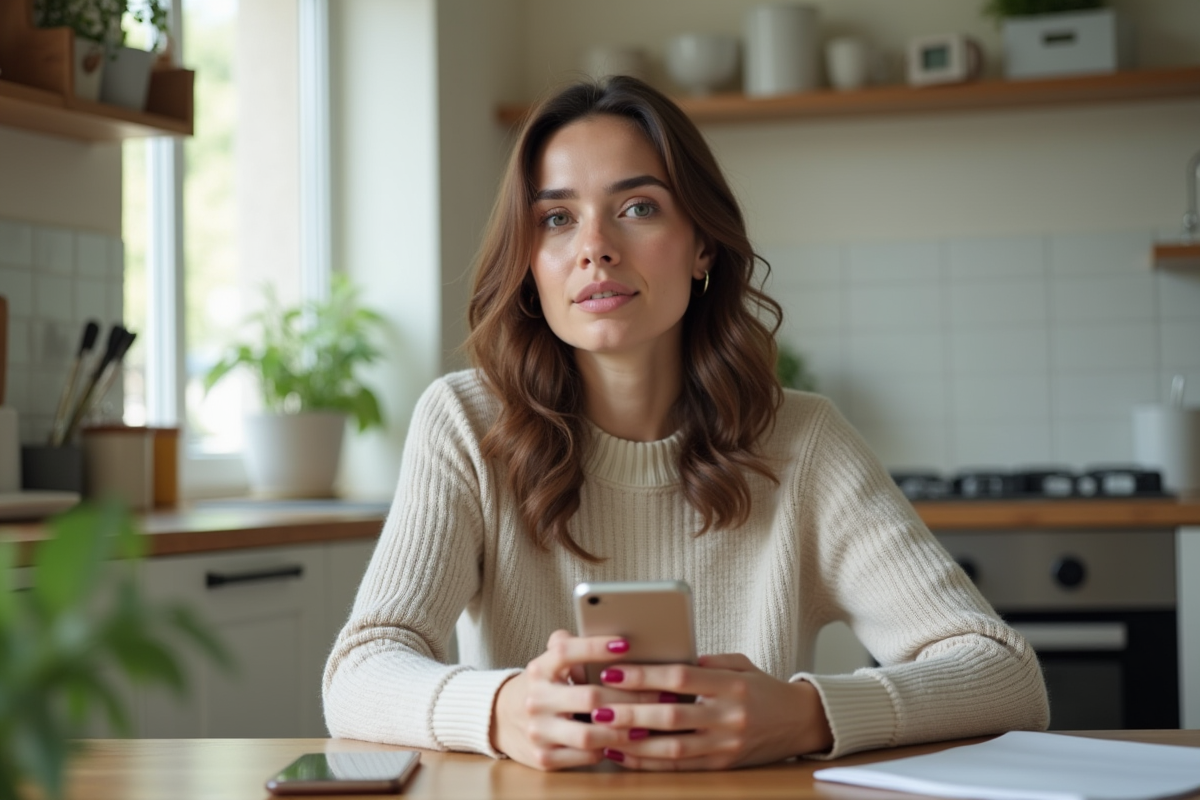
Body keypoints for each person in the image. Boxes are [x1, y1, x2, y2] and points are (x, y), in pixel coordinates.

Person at [322, 76, 1048, 772]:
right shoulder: (465, 423)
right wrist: (499, 709)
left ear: (702, 244)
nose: (595, 247)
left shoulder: (805, 441)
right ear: (530, 263)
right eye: (556, 219)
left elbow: (1007, 676)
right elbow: (358, 672)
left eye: (638, 207)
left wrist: (807, 716)